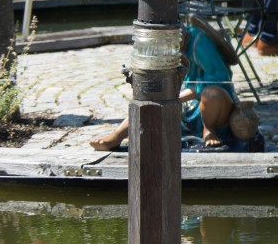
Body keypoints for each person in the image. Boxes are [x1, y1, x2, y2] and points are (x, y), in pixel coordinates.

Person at [87, 18, 240, 151]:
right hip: (184, 107)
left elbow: (220, 78)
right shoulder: (164, 48)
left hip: (214, 108)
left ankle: (209, 130)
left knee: (212, 94)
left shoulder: (199, 42)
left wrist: (178, 97)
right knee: (150, 100)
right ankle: (116, 136)